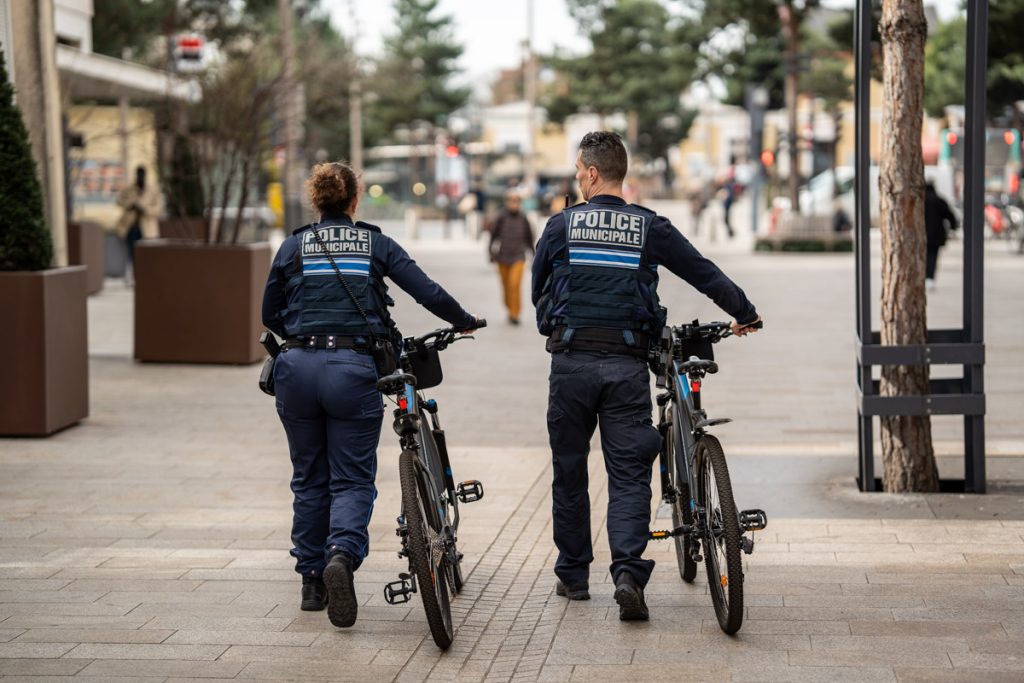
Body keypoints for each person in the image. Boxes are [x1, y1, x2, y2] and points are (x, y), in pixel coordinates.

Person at [532, 132, 762, 621]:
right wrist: (744, 311)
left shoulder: (560, 226)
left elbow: (539, 293)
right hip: (627, 366)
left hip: (570, 365)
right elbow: (702, 272)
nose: (577, 175)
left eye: (579, 168)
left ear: (592, 173)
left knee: (569, 471)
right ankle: (628, 575)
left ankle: (573, 575)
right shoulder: (648, 227)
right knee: (630, 473)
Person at [262, 161, 481, 629]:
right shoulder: (374, 243)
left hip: (296, 370)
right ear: (354, 199)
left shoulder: (293, 244)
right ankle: (341, 553)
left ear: (316, 201)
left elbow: (270, 312)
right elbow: (426, 291)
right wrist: (462, 318)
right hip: (353, 370)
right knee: (352, 478)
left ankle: (311, 580)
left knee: (308, 477)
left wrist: (303, 336)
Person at [489, 191, 535, 325]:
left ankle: (515, 313)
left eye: (517, 201)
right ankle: (509, 310)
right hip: (502, 257)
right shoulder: (501, 217)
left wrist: (534, 255)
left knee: (514, 285)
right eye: (512, 201)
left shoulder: (523, 218)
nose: (514, 203)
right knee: (506, 287)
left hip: (518, 257)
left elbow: (529, 238)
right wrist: (491, 254)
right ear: (507, 202)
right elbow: (493, 236)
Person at [115, 166, 162, 284]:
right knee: (132, 253)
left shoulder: (153, 190)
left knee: (147, 255)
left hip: (148, 228)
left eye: (142, 174)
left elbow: (158, 209)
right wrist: (131, 205)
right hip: (132, 227)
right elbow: (119, 201)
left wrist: (144, 209)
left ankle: (148, 277)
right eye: (138, 174)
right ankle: (132, 278)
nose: (140, 177)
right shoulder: (129, 189)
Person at [924, 181, 958, 290]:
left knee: (923, 257)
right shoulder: (939, 201)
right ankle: (929, 278)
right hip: (936, 236)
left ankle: (924, 277)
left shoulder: (920, 201)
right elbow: (950, 215)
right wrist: (954, 227)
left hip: (922, 235)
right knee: (932, 257)